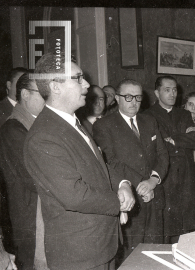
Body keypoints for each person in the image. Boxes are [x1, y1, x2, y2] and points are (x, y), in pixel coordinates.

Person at [23, 52, 135, 270]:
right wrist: (119, 202)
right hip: (80, 256)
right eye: (78, 78)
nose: (86, 84)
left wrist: (123, 183)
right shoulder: (43, 136)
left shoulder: (72, 123)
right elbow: (74, 195)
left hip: (101, 247)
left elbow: (98, 165)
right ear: (55, 86)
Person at [93, 79, 168, 266]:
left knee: (155, 252)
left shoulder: (149, 121)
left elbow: (163, 154)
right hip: (130, 199)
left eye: (137, 97)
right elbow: (111, 162)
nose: (133, 102)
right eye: (128, 97)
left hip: (154, 196)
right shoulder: (104, 125)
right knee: (131, 257)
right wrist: (142, 184)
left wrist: (153, 181)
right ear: (117, 98)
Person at [144, 76, 195, 243]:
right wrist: (182, 137)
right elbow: (157, 146)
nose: (172, 94)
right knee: (164, 228)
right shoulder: (148, 116)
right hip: (165, 177)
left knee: (187, 230)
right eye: (167, 90)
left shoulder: (184, 114)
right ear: (157, 93)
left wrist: (174, 139)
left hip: (186, 176)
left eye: (175, 90)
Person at [0, 73, 46, 269]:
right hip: (30, 221)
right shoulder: (13, 129)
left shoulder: (38, 123)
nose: (48, 97)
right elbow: (34, 178)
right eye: (42, 93)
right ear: (25, 94)